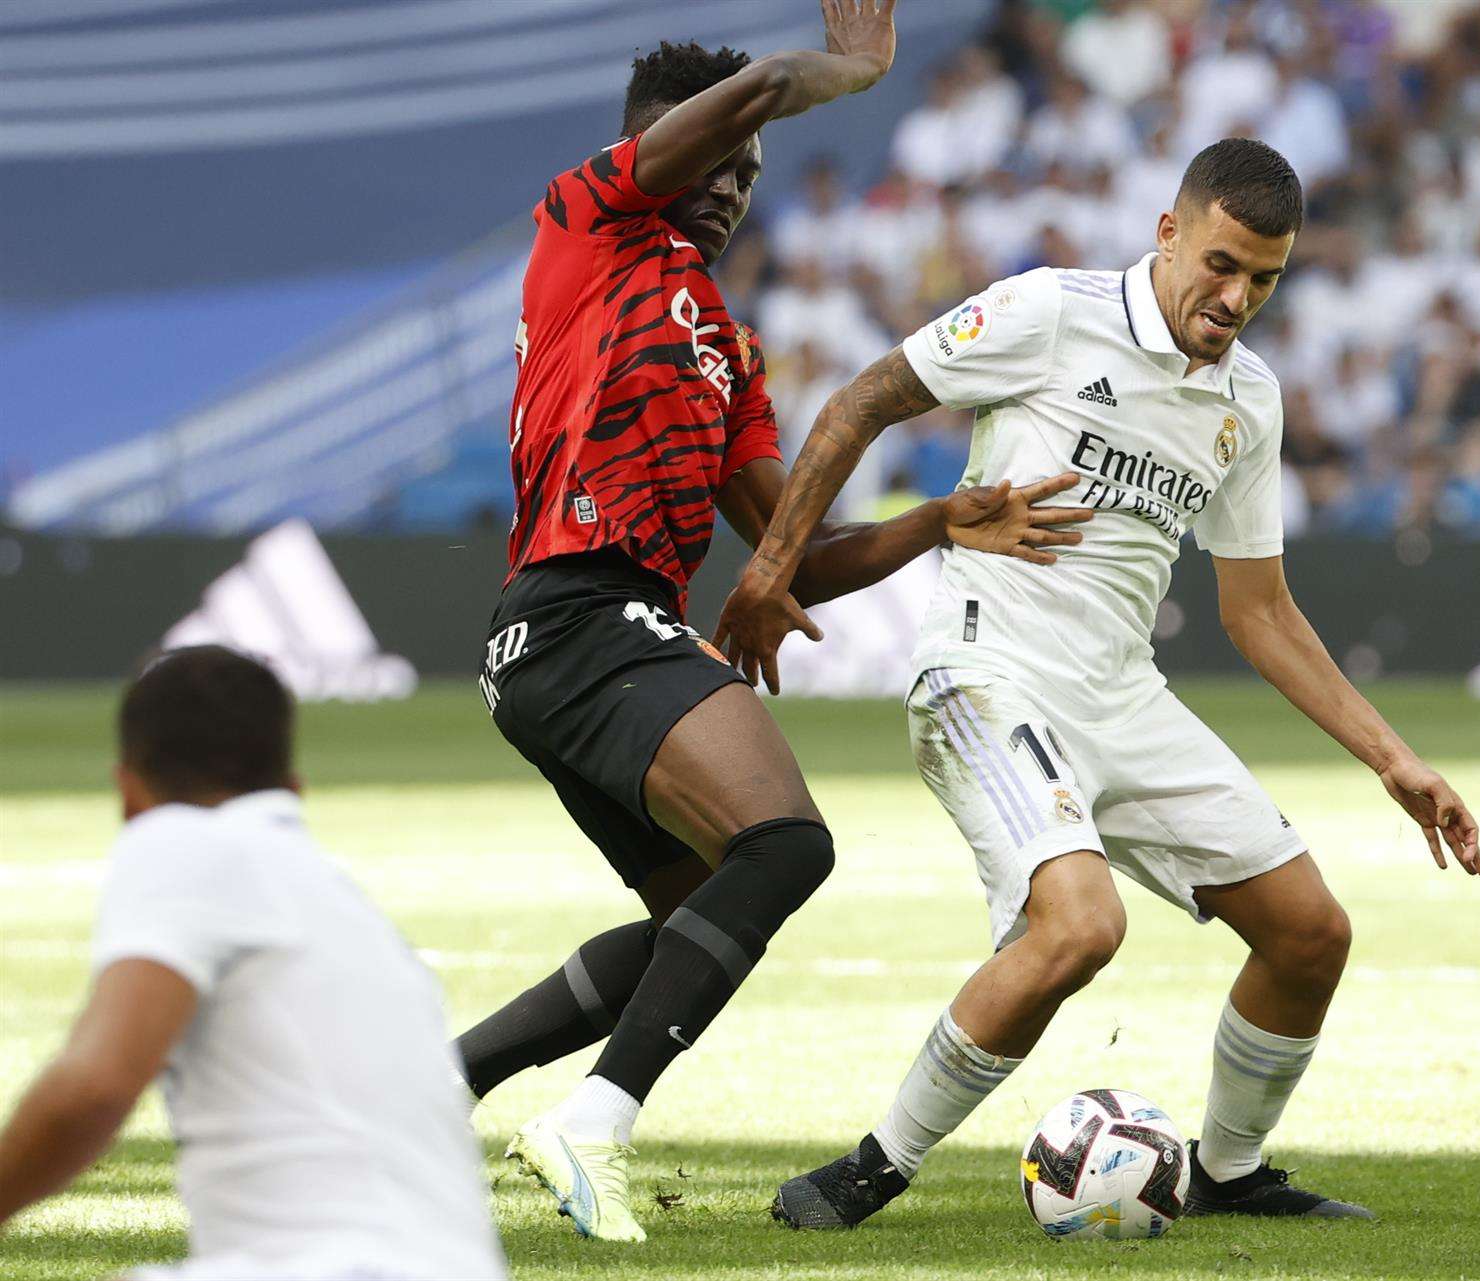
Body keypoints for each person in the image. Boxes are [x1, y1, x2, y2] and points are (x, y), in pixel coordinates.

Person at [717, 139, 1480, 1230]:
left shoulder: (1248, 402)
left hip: (1122, 695)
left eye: (1264, 280)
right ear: (1168, 232)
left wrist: (1395, 761)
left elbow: (1258, 613)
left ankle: (1227, 1171)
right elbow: (858, 404)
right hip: (989, 670)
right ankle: (871, 1170)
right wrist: (768, 569)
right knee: (1081, 926)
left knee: (1312, 933)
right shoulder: (1048, 312)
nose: (1236, 298)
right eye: (1222, 264)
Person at [456, 4, 1091, 1244]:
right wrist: (845, 73)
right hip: (581, 612)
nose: (736, 184)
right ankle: (594, 1123)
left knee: (693, 914)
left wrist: (939, 522)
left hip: (570, 641)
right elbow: (749, 97)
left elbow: (795, 554)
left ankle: (442, 1090)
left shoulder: (727, 352)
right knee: (787, 846)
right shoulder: (587, 225)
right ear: (661, 149)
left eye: (750, 175)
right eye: (719, 159)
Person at [0, 647, 506, 1280]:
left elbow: (96, 1085)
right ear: (293, 789)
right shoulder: (348, 908)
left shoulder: (183, 840)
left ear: (127, 792)